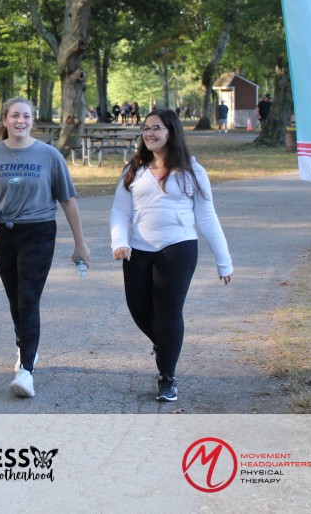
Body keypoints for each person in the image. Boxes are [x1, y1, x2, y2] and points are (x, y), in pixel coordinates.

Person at [0, 96, 90, 398]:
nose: (20, 121)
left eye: (26, 116)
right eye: (14, 115)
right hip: (3, 234)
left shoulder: (49, 155)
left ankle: (26, 371)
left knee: (28, 298)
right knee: (15, 299)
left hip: (39, 232)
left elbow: (68, 201)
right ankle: (25, 347)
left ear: (33, 120)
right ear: (5, 120)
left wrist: (80, 244)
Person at [110, 108, 233, 402]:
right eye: (146, 128)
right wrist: (119, 241)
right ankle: (166, 344)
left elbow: (207, 216)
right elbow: (120, 210)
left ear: (171, 132)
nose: (149, 133)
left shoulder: (192, 171)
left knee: (168, 312)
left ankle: (167, 377)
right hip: (137, 250)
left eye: (156, 128)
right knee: (138, 309)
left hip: (178, 248)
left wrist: (224, 261)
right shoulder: (134, 169)